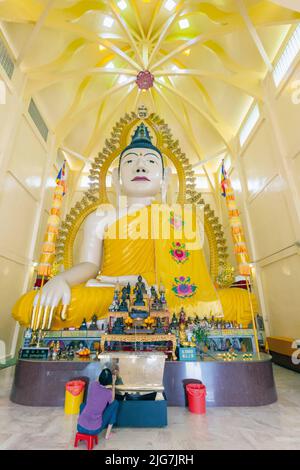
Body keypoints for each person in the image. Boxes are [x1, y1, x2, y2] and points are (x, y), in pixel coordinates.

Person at [77, 368, 119, 440]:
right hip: (94, 430)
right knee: (115, 403)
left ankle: (83, 432)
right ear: (109, 380)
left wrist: (104, 375)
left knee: (82, 405)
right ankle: (107, 435)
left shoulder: (93, 385)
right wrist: (113, 383)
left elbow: (98, 381)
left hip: (80, 427)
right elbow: (112, 400)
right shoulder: (108, 393)